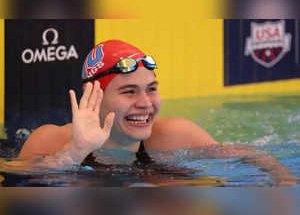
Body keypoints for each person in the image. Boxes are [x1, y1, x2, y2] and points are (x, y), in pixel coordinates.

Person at [7, 40, 298, 185]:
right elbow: (14, 179)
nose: (146, 102)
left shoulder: (172, 135)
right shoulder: (48, 140)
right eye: (129, 91)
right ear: (93, 95)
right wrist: (73, 153)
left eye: (152, 88)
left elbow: (253, 155)